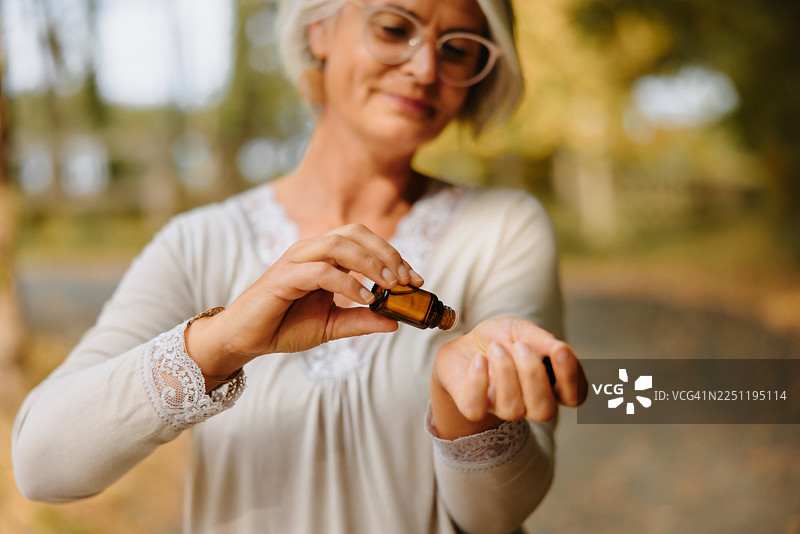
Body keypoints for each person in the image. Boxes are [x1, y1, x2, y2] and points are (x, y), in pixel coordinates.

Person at [12, 0, 588, 532]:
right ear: (320, 29)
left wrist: (465, 409)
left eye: (456, 48)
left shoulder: (504, 229)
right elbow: (41, 465)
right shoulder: (197, 243)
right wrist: (220, 344)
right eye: (394, 28)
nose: (424, 67)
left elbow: (499, 513)